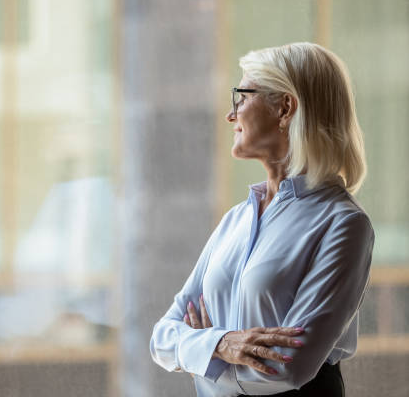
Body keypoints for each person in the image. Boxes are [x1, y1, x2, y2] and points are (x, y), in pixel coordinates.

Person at [150, 42, 374, 397]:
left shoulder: (343, 224)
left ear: (285, 108)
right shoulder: (235, 220)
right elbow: (161, 336)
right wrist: (222, 343)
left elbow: (285, 369)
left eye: (241, 96)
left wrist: (198, 354)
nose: (231, 114)